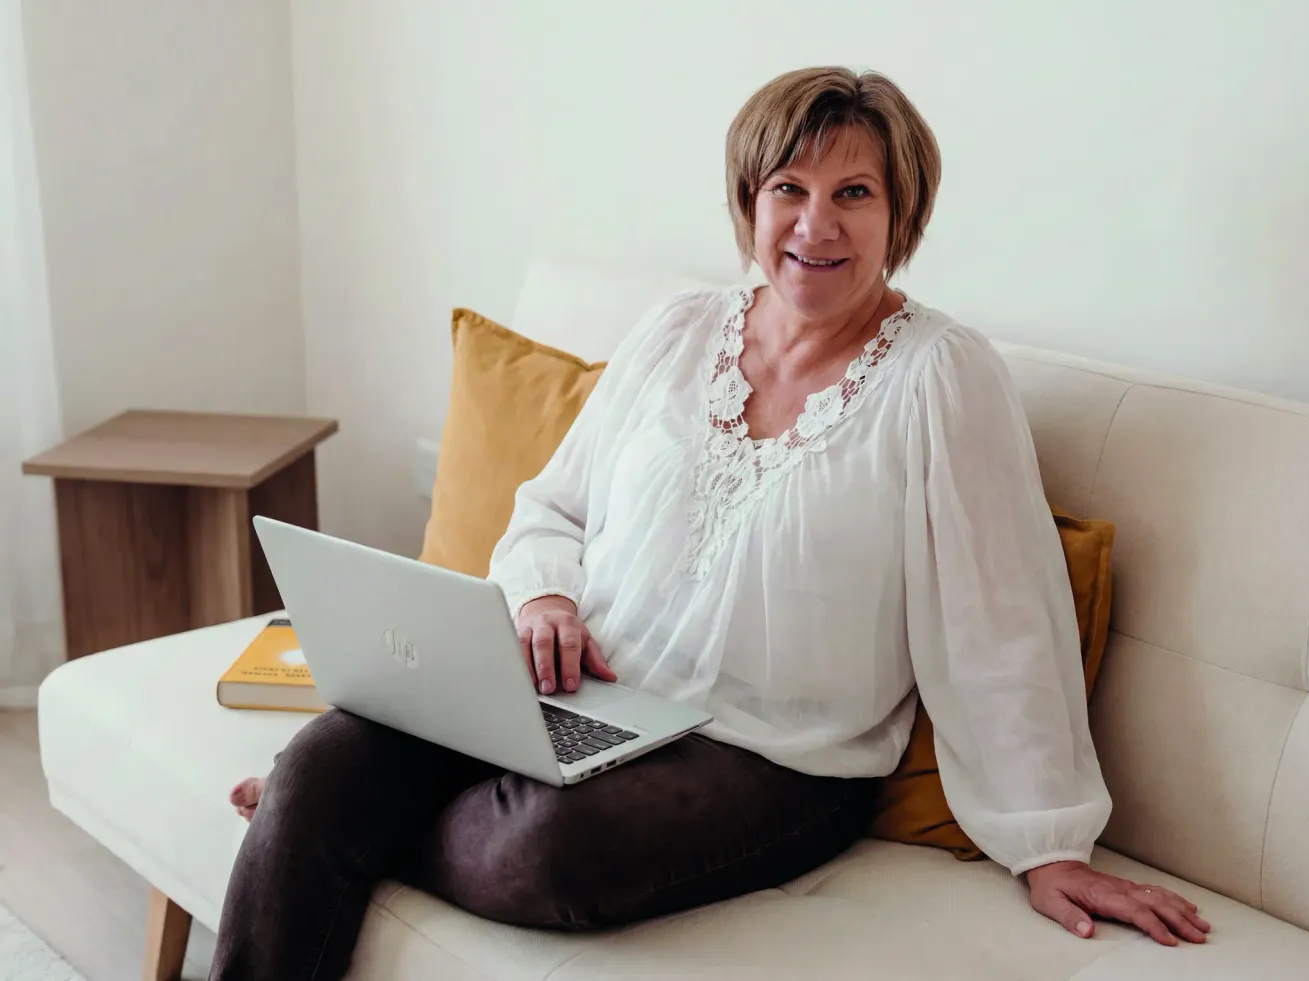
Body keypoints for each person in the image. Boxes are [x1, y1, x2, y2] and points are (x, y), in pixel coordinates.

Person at [211, 67, 1209, 980]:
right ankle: (320, 820)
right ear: (749, 201)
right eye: (790, 188)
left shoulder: (942, 379)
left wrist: (1048, 845)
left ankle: (329, 836)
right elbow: (551, 506)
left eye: (854, 193)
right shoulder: (678, 331)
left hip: (772, 761)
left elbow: (1002, 620)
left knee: (523, 853)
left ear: (901, 214)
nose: (817, 223)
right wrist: (546, 594)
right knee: (319, 765)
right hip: (587, 697)